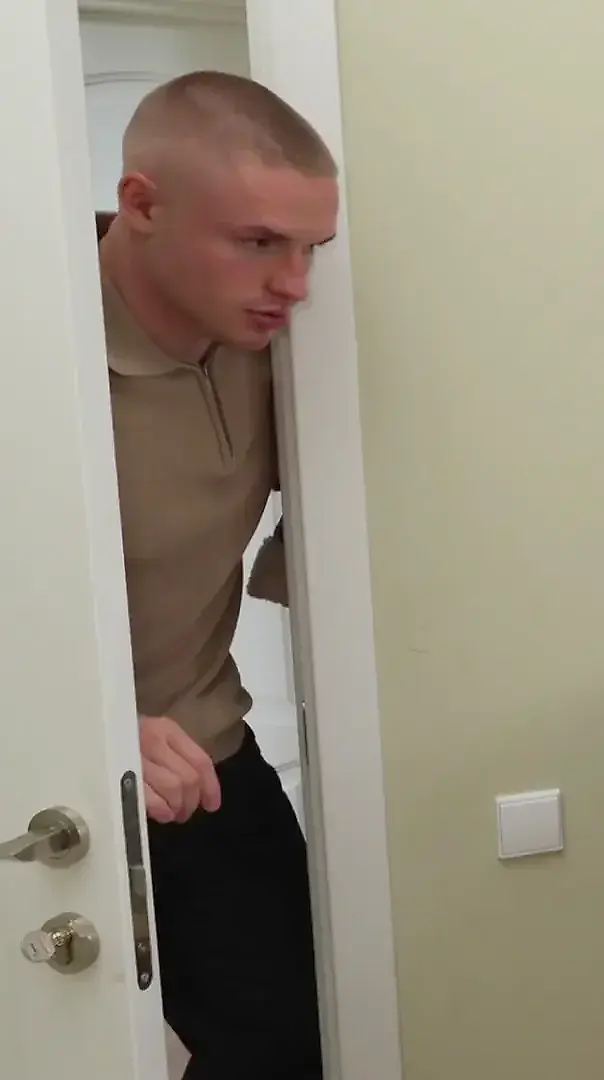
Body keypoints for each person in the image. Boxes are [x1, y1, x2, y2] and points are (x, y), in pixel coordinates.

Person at [99, 70, 339, 1080]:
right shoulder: (39, 348)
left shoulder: (276, 346)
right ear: (142, 204)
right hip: (62, 775)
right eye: (259, 242)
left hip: (207, 751)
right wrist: (89, 724)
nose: (296, 284)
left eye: (312, 248)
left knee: (300, 1033)